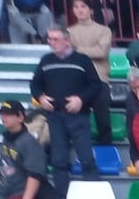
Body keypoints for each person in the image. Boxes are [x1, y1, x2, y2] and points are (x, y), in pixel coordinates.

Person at [30, 25, 109, 186]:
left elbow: (96, 85)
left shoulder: (82, 60)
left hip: (78, 115)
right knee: (58, 160)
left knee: (86, 159)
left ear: (67, 41)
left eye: (55, 39)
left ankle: (94, 198)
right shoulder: (46, 60)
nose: (51, 43)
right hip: (54, 116)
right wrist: (40, 97)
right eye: (49, 39)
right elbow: (35, 85)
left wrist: (81, 99)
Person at [66, 0, 115, 82]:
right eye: (76, 7)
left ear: (91, 10)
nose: (79, 10)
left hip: (99, 77)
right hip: (76, 78)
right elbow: (67, 53)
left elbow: (101, 52)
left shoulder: (104, 30)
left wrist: (76, 49)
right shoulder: (68, 32)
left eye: (83, 6)